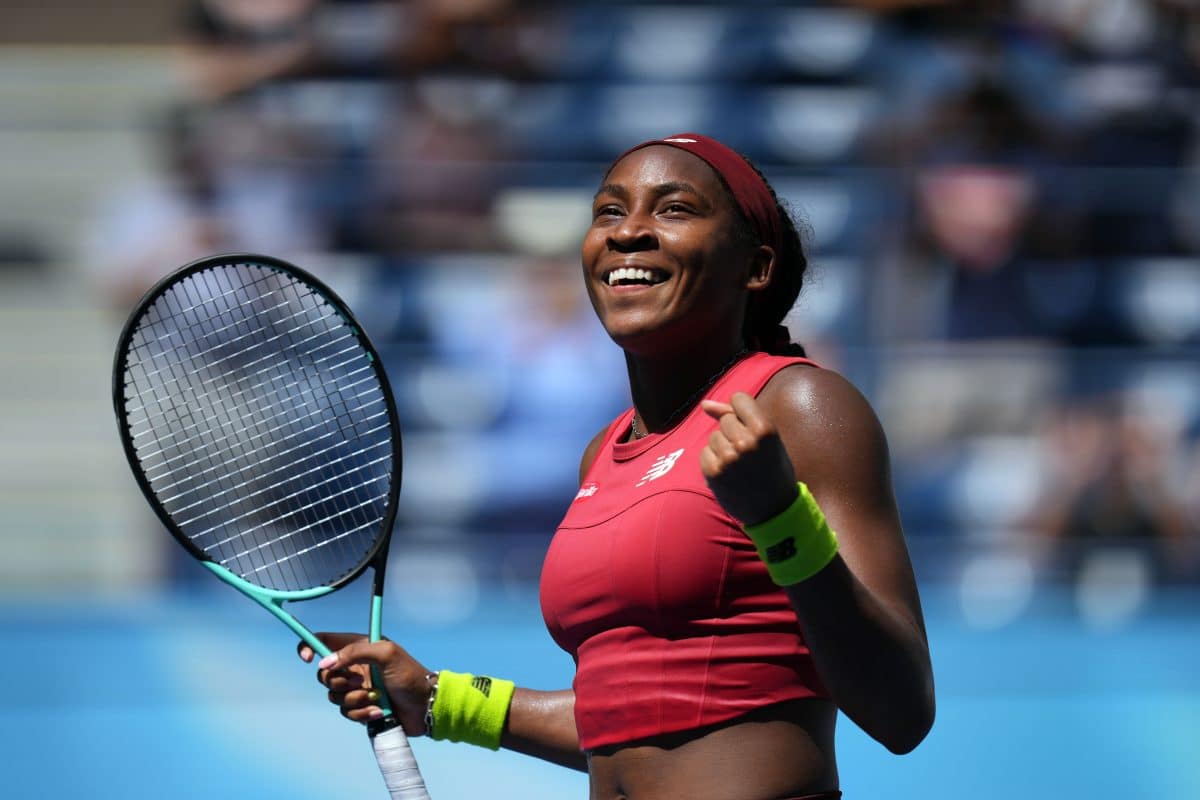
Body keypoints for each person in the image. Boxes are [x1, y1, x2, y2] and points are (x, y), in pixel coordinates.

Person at [298, 133, 936, 799]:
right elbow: (626, 719)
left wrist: (780, 518)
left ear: (757, 266)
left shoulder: (800, 404)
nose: (630, 231)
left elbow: (902, 710)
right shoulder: (601, 453)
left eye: (675, 209)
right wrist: (437, 699)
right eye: (609, 211)